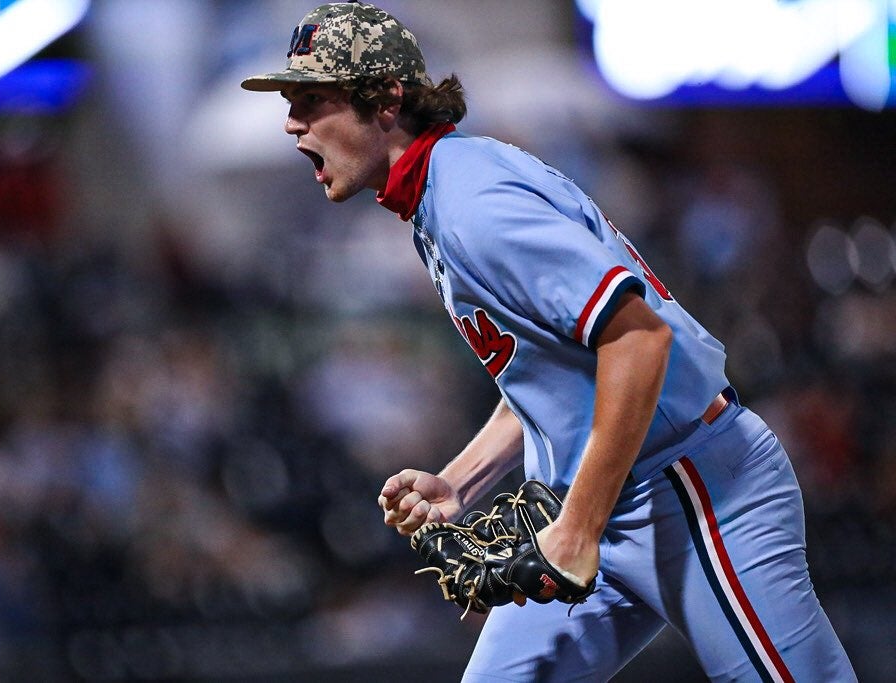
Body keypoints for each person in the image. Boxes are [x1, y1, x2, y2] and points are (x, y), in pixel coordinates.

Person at [241, 2, 856, 681]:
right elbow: (550, 365)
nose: (293, 123)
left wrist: (580, 527)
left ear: (385, 99)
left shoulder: (473, 201)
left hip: (694, 487)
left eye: (311, 100)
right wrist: (460, 480)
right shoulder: (440, 194)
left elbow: (637, 339)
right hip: (602, 497)